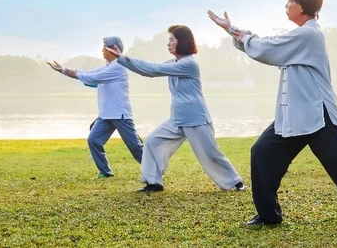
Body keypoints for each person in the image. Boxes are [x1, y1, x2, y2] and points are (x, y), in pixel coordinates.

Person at [207, 0, 337, 227]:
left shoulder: (308, 34)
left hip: (319, 115)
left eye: (291, 0)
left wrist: (233, 29)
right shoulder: (300, 37)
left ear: (303, 6)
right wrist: (232, 30)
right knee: (262, 153)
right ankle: (268, 216)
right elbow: (268, 50)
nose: (286, 5)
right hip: (294, 115)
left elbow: (266, 48)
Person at [105, 25, 244, 192]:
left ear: (182, 42)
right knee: (152, 141)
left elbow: (154, 70)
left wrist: (121, 58)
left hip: (196, 118)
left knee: (210, 153)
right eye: (168, 40)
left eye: (171, 40)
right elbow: (149, 69)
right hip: (177, 118)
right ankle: (153, 182)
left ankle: (235, 182)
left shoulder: (189, 63)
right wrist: (122, 59)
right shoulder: (174, 62)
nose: (168, 43)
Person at [47, 36, 143, 178]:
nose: (102, 50)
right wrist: (63, 70)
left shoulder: (119, 66)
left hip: (120, 114)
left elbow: (93, 78)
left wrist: (65, 71)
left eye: (105, 46)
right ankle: (105, 172)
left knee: (136, 148)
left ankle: (155, 168)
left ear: (114, 48)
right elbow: (88, 73)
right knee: (94, 140)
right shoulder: (107, 66)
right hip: (106, 115)